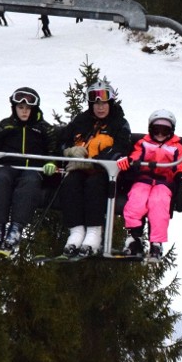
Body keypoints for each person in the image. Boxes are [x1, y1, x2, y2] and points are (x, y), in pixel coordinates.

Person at [60, 81, 132, 257]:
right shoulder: (81, 121)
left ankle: (94, 233)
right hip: (78, 169)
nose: (100, 108)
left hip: (105, 173)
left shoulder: (119, 123)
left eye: (104, 103)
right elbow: (62, 141)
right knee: (70, 182)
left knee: (94, 184)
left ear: (110, 103)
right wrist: (69, 151)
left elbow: (122, 150)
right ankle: (76, 233)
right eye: (96, 104)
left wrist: (96, 162)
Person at [0, 87, 58, 250]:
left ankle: (16, 227)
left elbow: (53, 149)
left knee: (29, 182)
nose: (24, 112)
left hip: (32, 168)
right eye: (21, 108)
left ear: (34, 109)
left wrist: (51, 163)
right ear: (14, 108)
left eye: (28, 109)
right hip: (9, 166)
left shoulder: (44, 129)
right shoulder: (6, 126)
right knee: (0, 179)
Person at [117, 109, 182, 260]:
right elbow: (136, 155)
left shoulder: (176, 147)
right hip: (143, 179)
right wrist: (131, 161)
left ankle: (156, 242)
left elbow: (180, 166)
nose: (160, 134)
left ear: (171, 131)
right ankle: (134, 238)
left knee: (159, 204)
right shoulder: (144, 143)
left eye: (165, 131)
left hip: (164, 182)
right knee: (136, 201)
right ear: (150, 129)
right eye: (157, 130)